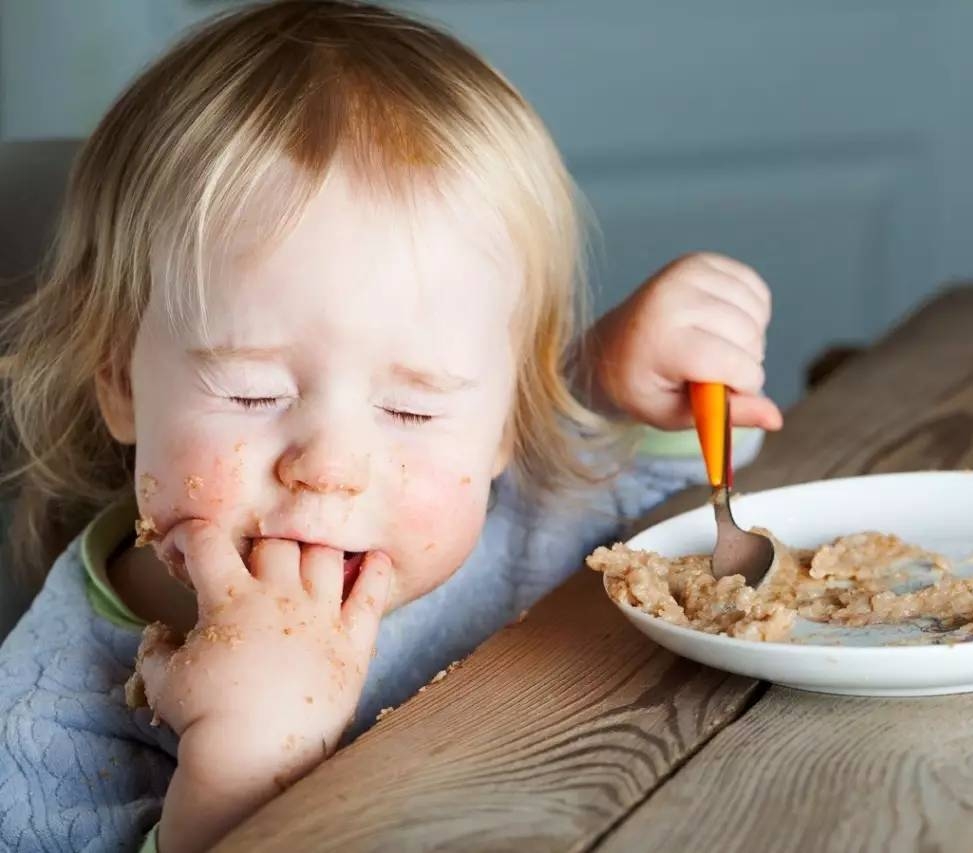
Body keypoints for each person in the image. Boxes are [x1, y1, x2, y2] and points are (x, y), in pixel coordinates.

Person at [0, 2, 782, 850]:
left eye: (412, 407)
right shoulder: (51, 711)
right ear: (119, 378)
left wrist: (625, 386)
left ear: (502, 425)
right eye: (254, 392)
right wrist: (238, 774)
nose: (331, 466)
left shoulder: (515, 522)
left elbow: (679, 519)